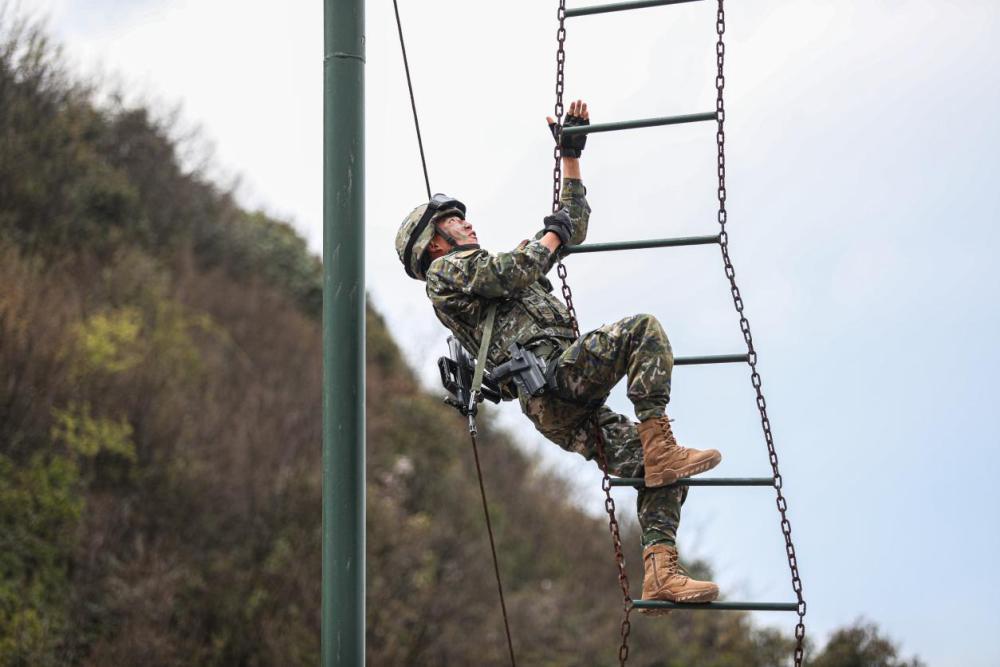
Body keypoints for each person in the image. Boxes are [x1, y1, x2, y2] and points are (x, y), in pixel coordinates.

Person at [395, 100, 723, 608]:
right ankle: (660, 439)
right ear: (434, 245)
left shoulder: (499, 268)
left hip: (562, 398)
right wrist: (549, 238)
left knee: (660, 476)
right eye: (454, 222)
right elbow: (514, 267)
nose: (466, 224)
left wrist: (571, 158)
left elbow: (570, 225)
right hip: (552, 381)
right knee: (643, 331)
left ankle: (661, 569)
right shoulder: (448, 274)